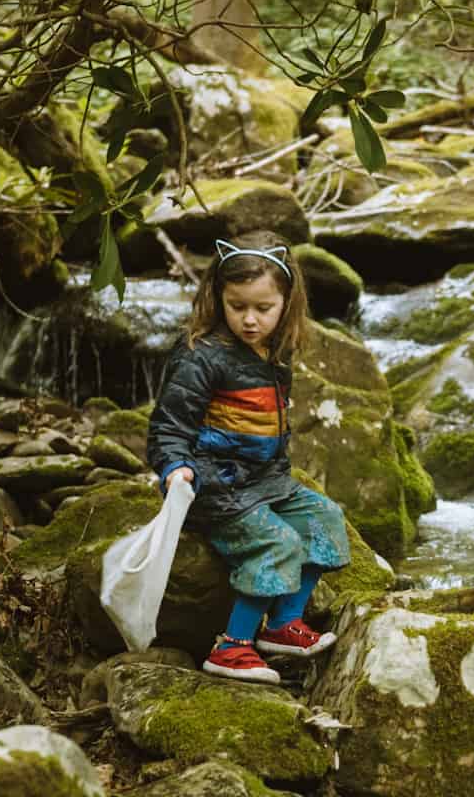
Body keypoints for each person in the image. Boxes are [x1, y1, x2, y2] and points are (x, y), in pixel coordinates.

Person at [147, 230, 351, 684]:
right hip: (214, 486)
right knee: (276, 542)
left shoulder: (274, 355)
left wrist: (281, 482)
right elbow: (168, 425)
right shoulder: (202, 356)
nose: (250, 320)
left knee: (325, 519)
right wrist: (174, 467)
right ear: (218, 297)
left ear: (287, 303)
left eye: (263, 308)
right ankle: (233, 646)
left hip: (264, 483)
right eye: (237, 307)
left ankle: (281, 625)